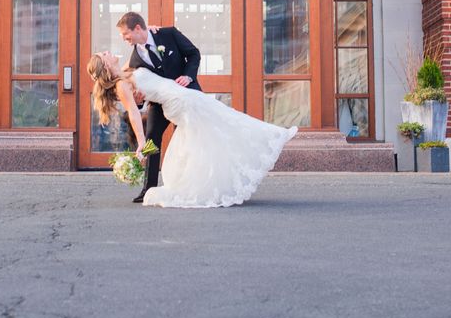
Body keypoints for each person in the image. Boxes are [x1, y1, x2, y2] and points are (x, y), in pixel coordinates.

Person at [86, 51, 298, 209]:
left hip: (183, 97)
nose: (108, 52)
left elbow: (139, 50)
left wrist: (151, 29)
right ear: (105, 65)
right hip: (180, 102)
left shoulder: (125, 72)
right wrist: (141, 143)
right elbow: (134, 113)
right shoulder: (121, 85)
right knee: (222, 124)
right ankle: (271, 136)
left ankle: (223, 175)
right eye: (104, 54)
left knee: (218, 127)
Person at [116, 12, 201, 203]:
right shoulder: (135, 58)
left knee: (185, 139)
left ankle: (186, 185)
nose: (124, 39)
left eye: (126, 34)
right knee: (151, 138)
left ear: (138, 28)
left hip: (184, 96)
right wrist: (139, 100)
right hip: (159, 103)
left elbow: (193, 53)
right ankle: (148, 189)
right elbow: (135, 88)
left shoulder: (168, 34)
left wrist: (188, 76)